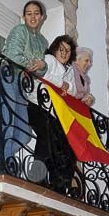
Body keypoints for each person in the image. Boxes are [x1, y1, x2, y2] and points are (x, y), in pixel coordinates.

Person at [0, 0, 49, 172]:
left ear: (42, 17)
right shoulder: (19, 30)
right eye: (29, 13)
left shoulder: (44, 42)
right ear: (24, 17)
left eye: (36, 13)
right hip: (6, 77)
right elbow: (13, 56)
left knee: (23, 133)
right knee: (8, 123)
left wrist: (43, 66)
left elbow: (44, 71)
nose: (33, 16)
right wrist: (33, 65)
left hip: (22, 87)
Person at [29, 33, 77, 193]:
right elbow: (43, 74)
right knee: (46, 137)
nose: (64, 53)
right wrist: (62, 83)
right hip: (37, 105)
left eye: (68, 51)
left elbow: (75, 91)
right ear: (55, 49)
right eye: (61, 49)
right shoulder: (49, 59)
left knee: (67, 146)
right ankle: (37, 177)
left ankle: (60, 184)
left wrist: (67, 86)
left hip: (54, 113)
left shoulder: (69, 70)